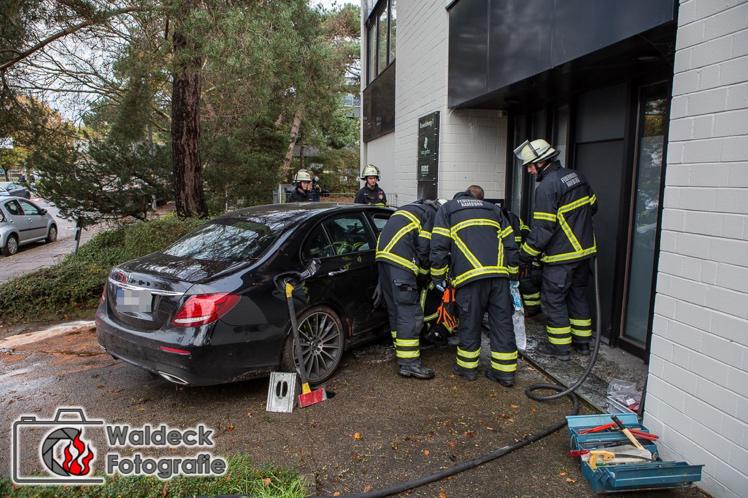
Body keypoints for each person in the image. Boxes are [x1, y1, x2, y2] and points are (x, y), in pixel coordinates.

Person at [513, 139, 598, 361]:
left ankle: (560, 347)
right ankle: (582, 343)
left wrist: (524, 256)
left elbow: (543, 229)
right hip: (585, 253)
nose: (529, 170)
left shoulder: (547, 187)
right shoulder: (577, 176)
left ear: (542, 161)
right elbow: (593, 206)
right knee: (578, 295)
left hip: (561, 257)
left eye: (530, 165)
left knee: (554, 300)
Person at [430, 185, 520, 387]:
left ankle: (467, 369)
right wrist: (513, 276)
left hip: (469, 278)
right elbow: (510, 244)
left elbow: (439, 246)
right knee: (502, 323)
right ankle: (505, 374)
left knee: (470, 322)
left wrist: (438, 276)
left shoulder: (448, 209)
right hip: (499, 277)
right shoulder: (494, 209)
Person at [375, 198, 442, 379]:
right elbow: (425, 246)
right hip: (402, 262)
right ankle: (410, 363)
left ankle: (401, 350)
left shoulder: (409, 209)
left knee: (395, 310)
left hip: (383, 259)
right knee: (409, 311)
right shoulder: (431, 214)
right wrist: (424, 274)